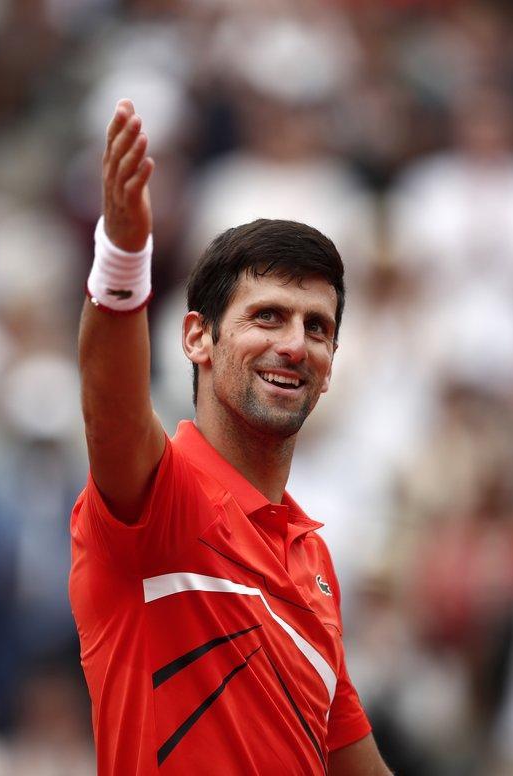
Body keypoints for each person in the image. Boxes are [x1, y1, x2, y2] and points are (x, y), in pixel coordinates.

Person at [69, 99, 391, 775]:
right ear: (197, 338)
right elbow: (110, 403)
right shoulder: (159, 499)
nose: (295, 345)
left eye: (317, 327)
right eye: (267, 317)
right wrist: (123, 257)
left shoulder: (315, 563)